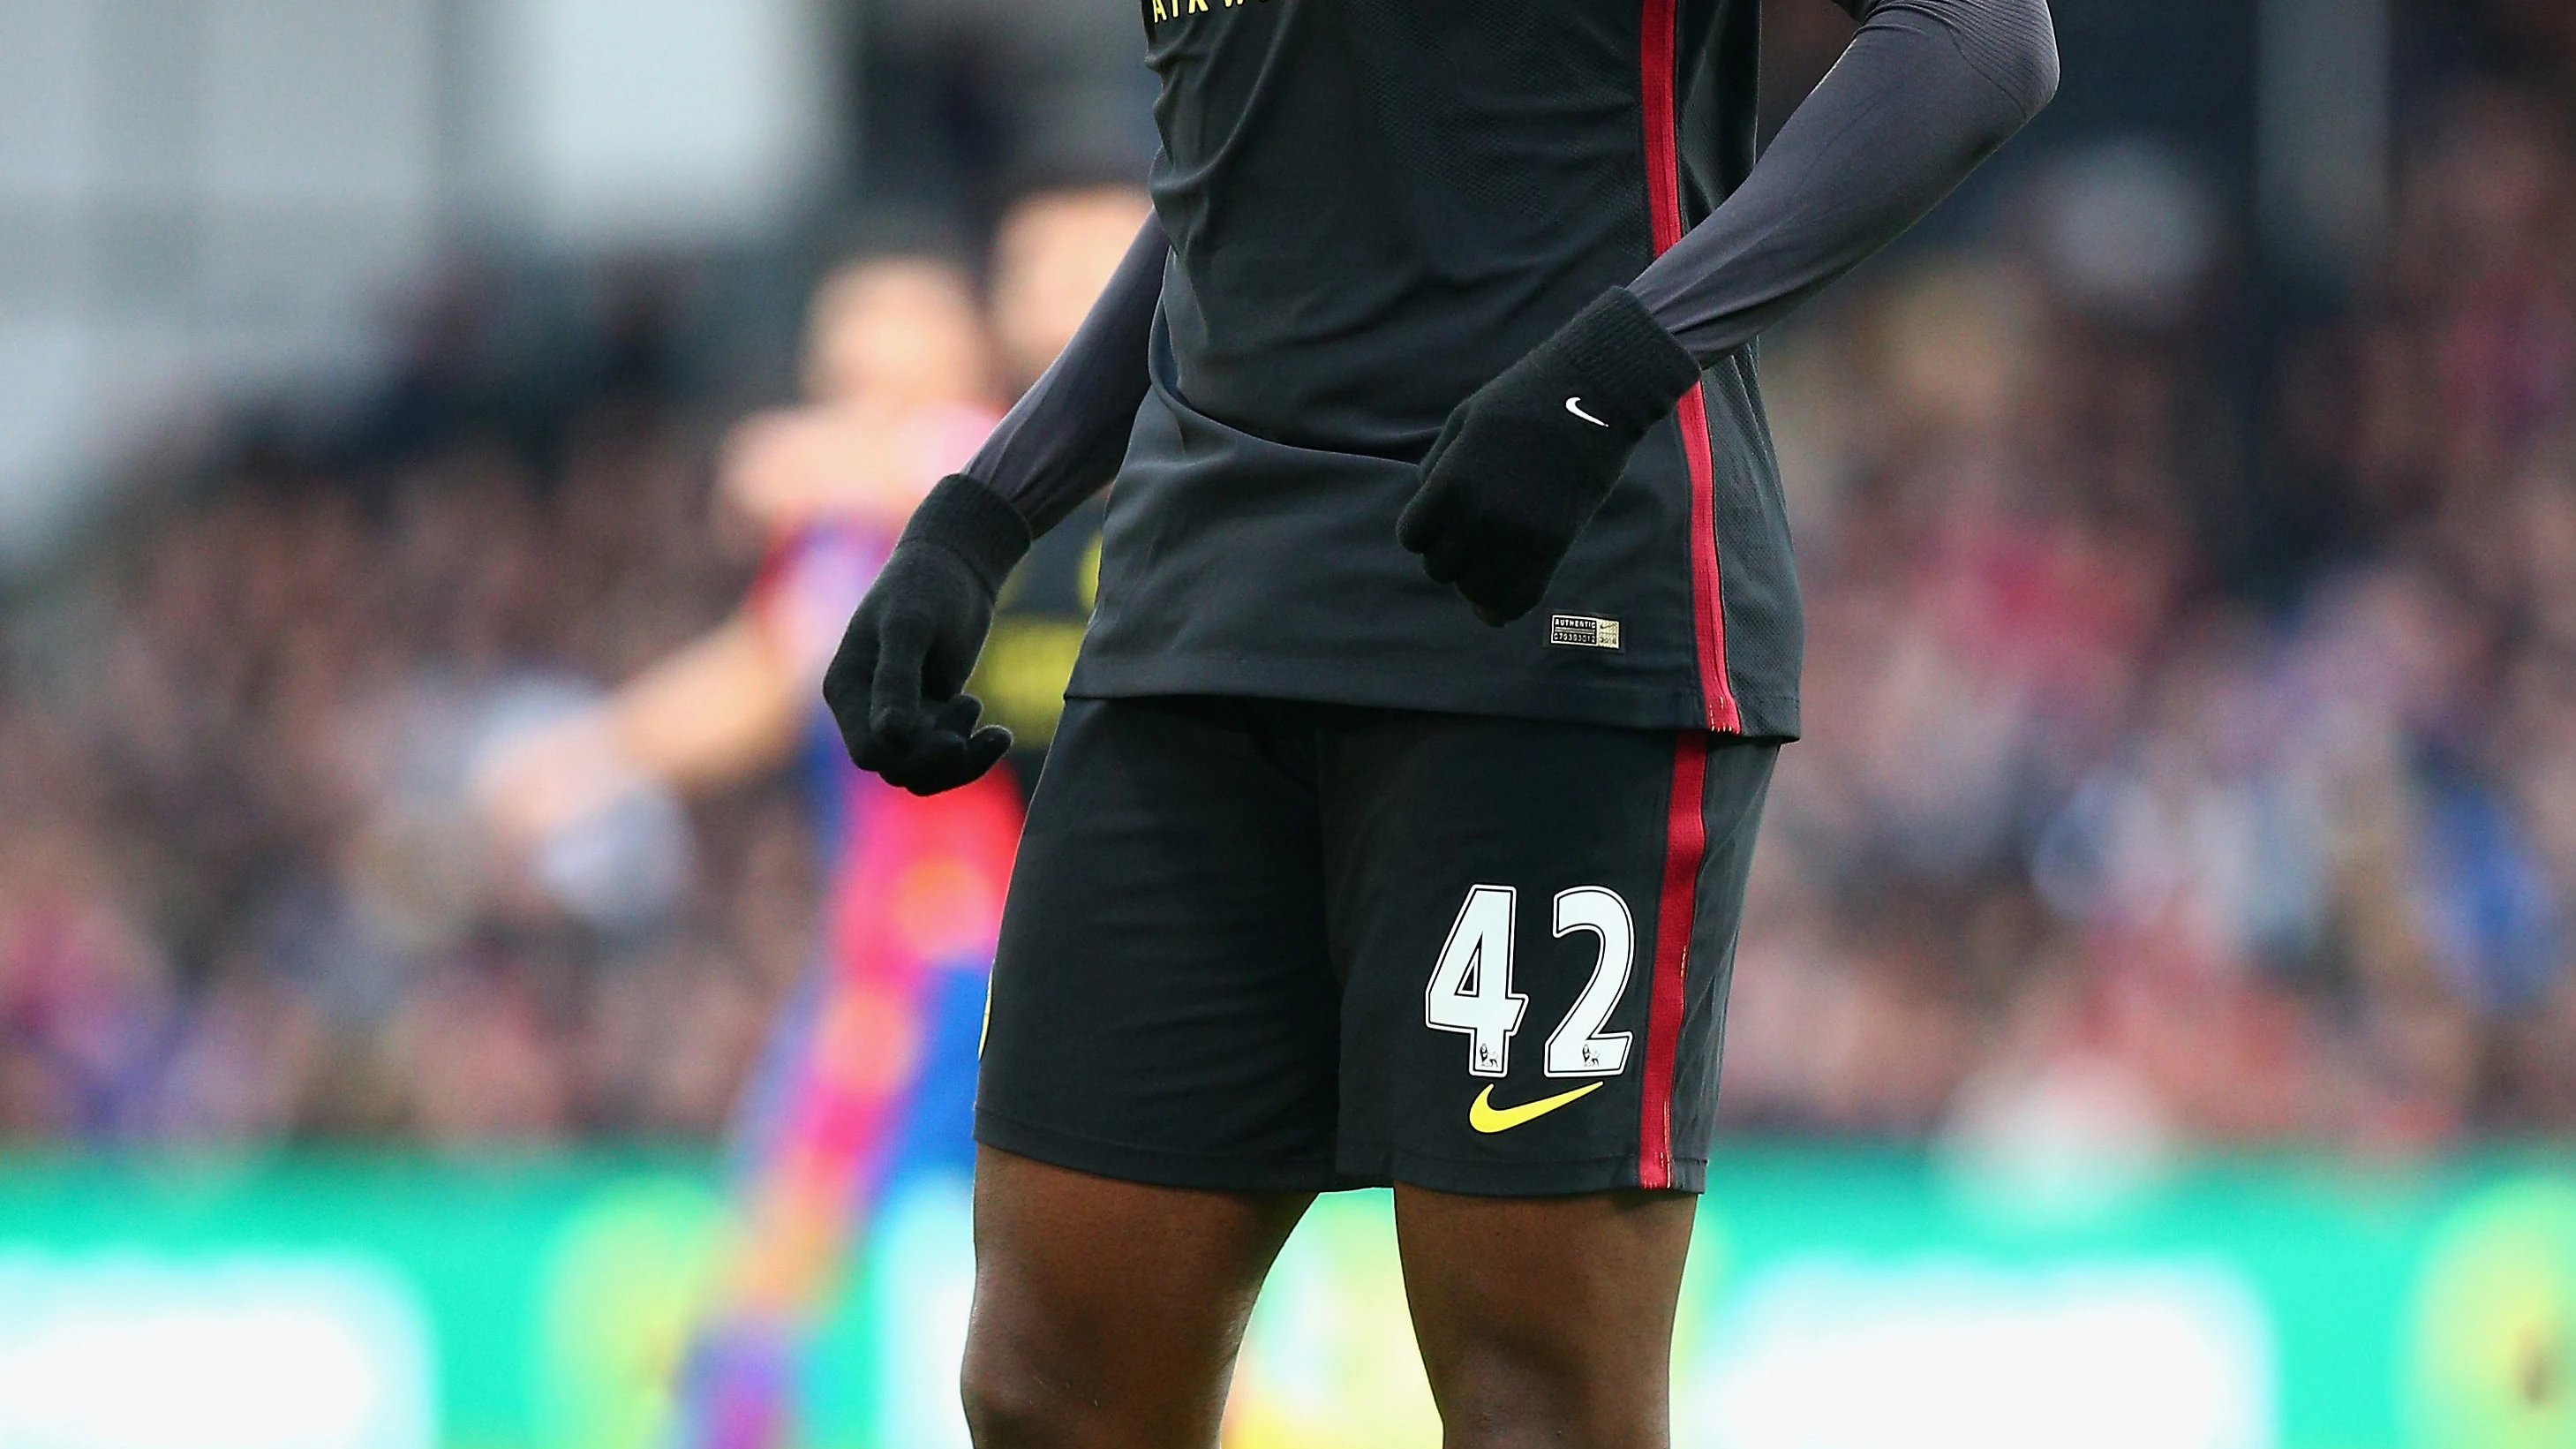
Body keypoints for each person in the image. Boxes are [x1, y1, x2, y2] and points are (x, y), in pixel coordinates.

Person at [825, 2, 2060, 1443]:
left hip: (1544, 620)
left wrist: (1615, 369)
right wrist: (990, 510)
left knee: (1533, 1404)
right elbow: (1245, 181)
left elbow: (1977, 37)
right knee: (1048, 1392)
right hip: (1193, 626)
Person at [473, 254, 1014, 1449]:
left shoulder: (1010, 478)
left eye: (894, 346)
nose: (859, 378)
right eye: (842, 354)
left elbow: (947, 458)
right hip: (897, 950)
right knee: (792, 1262)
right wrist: (589, 758)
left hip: (976, 951)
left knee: (798, 1258)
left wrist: (821, 453)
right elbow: (766, 671)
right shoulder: (839, 523)